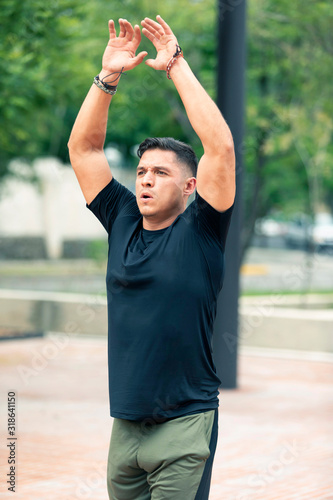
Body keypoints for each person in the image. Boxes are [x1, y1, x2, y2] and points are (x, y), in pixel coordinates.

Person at [68, 14, 235, 500]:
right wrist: (108, 78)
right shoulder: (121, 218)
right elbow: (84, 148)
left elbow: (220, 148)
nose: (144, 179)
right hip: (124, 426)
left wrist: (175, 65)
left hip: (185, 425)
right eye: (142, 171)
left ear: (189, 187)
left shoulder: (202, 228)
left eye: (160, 173)